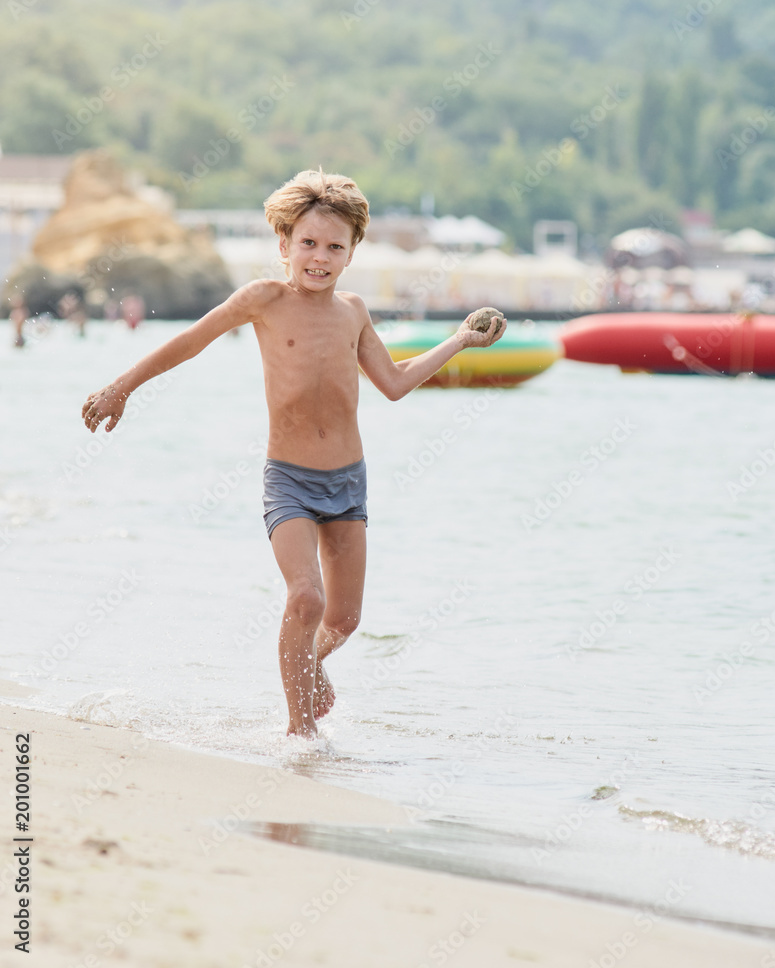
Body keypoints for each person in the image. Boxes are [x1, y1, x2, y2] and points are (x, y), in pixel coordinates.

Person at [81, 170, 505, 737]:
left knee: (345, 620)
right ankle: (300, 735)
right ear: (284, 245)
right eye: (308, 243)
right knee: (305, 598)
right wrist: (121, 387)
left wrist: (459, 341)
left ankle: (305, 667)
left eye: (335, 247)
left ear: (352, 253)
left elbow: (395, 382)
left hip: (348, 483)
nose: (320, 258)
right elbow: (190, 341)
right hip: (289, 481)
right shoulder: (264, 299)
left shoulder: (353, 311)